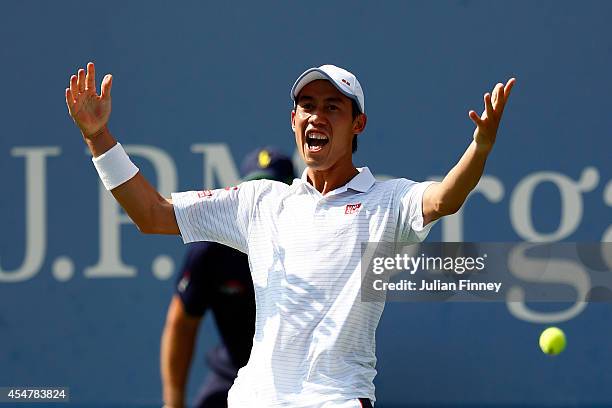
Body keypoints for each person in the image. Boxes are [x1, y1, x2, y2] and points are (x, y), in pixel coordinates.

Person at [66, 62, 515, 407]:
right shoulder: (259, 201)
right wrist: (98, 137)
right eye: (308, 107)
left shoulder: (389, 200)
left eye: (332, 107)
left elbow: (443, 199)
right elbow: (152, 213)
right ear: (293, 120)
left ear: (357, 124)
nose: (317, 116)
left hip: (336, 399)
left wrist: (481, 147)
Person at [160, 148, 296, 408]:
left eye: (273, 194)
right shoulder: (210, 251)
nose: (263, 207)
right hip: (232, 375)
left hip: (301, 381)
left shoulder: (315, 245)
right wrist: (174, 403)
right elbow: (182, 323)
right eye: (256, 195)